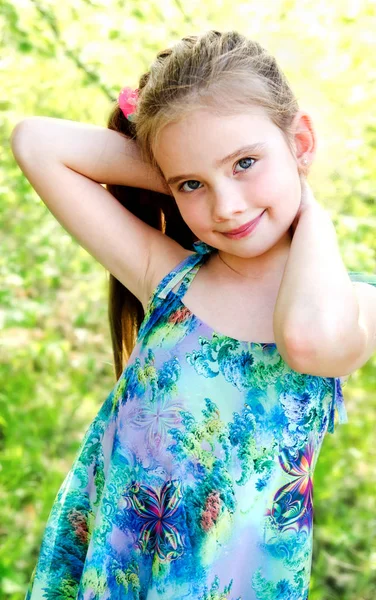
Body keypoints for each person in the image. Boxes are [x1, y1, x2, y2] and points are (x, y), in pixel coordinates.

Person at [10, 30, 376, 600]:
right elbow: (36, 141)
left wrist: (310, 210)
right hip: (118, 574)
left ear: (301, 141)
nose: (226, 206)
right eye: (193, 185)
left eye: (246, 162)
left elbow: (308, 341)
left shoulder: (356, 301)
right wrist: (181, 163)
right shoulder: (169, 276)